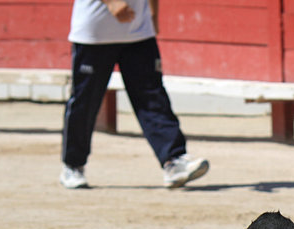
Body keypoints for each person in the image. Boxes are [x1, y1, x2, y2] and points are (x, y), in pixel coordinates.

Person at [60, 0, 208, 189]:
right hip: (94, 32)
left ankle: (173, 161)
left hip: (139, 31)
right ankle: (73, 166)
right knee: (85, 101)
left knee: (152, 98)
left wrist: (153, 15)